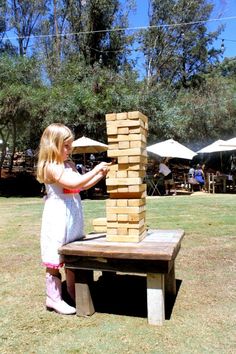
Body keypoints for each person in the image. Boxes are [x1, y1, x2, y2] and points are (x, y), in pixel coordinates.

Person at [36, 123, 110, 315]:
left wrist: (100, 175)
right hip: (58, 217)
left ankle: (73, 291)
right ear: (53, 145)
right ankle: (53, 298)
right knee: (55, 255)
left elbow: (81, 186)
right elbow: (74, 182)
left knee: (72, 253)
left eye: (70, 146)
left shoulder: (67, 165)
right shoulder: (51, 166)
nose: (70, 150)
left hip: (72, 216)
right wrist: (95, 169)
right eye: (66, 146)